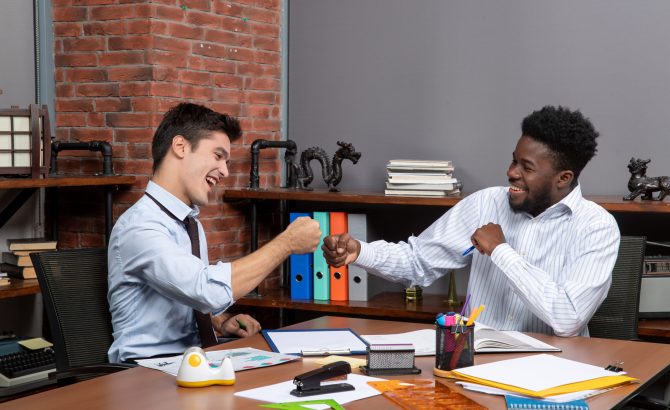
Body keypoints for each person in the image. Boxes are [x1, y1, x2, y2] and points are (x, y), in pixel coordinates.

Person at [323, 105, 620, 337]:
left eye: (525, 167)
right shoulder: (485, 203)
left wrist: (501, 251)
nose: (511, 172)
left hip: (553, 371)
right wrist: (360, 252)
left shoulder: (596, 227)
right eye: (514, 160)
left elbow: (567, 318)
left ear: (563, 178)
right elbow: (418, 262)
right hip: (475, 361)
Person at [108, 103, 321, 363]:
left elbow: (183, 290)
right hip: (146, 371)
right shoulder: (140, 227)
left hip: (191, 361)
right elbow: (206, 290)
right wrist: (287, 243)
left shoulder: (187, 223)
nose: (225, 171)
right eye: (218, 156)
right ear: (181, 147)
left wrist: (220, 322)